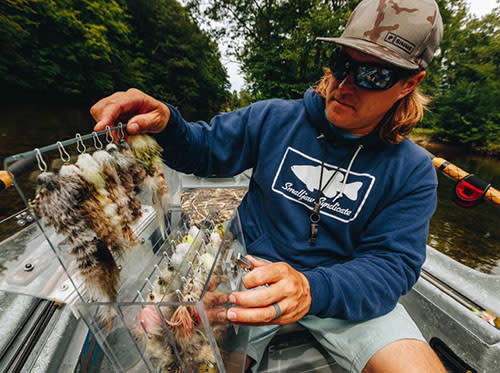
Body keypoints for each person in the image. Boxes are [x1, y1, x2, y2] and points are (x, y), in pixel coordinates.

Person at [91, 0, 446, 371]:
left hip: (343, 294)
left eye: (373, 76)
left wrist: (310, 289)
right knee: (196, 362)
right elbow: (203, 150)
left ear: (410, 83)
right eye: (343, 64)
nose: (344, 85)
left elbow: (392, 266)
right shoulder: (273, 118)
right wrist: (166, 125)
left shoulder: (413, 170)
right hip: (247, 275)